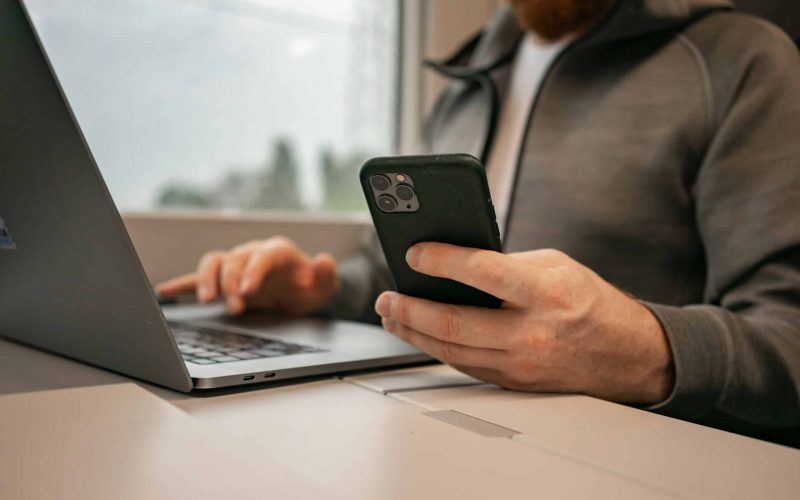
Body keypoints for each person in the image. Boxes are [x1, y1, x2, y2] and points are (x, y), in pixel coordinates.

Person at [157, 0, 800, 441]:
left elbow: (789, 338)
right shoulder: (466, 81)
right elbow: (400, 278)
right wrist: (322, 288)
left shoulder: (742, 62)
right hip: (433, 426)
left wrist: (646, 352)